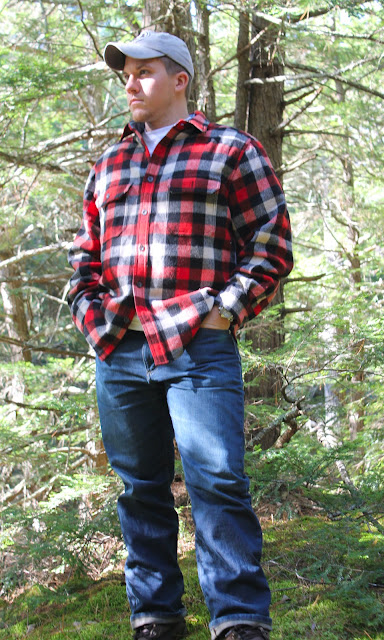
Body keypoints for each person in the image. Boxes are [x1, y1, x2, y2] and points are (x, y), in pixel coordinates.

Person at [67, 30, 293, 640]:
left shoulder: (231, 150)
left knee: (216, 479)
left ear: (180, 79)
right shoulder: (109, 165)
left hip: (198, 345)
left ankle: (238, 617)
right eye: (126, 75)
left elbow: (271, 244)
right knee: (139, 487)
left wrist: (225, 311)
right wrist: (93, 318)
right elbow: (84, 259)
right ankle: (155, 615)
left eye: (143, 72)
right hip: (120, 349)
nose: (131, 85)